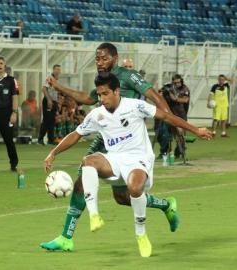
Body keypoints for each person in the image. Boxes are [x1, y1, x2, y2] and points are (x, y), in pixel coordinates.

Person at [43, 73, 212, 257]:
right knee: (88, 162)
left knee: (132, 190)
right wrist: (53, 153)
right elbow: (76, 134)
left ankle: (141, 234)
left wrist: (196, 130)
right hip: (115, 158)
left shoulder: (134, 106)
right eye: (99, 95)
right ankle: (93, 217)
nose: (102, 99)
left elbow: (165, 116)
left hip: (139, 158)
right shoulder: (97, 114)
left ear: (117, 91)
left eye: (105, 94)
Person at [40, 42, 181, 252]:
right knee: (83, 181)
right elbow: (86, 99)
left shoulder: (127, 76)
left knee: (123, 197)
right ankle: (66, 237)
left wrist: (172, 122)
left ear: (115, 59)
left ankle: (165, 205)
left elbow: (155, 97)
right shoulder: (102, 82)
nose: (99, 62)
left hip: (128, 142)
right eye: (97, 59)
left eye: (104, 58)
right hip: (106, 138)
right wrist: (57, 87)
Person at [161, 74, 190, 158]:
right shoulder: (170, 88)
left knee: (181, 134)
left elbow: (185, 100)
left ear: (181, 81)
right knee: (171, 134)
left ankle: (181, 151)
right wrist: (164, 91)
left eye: (178, 82)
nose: (177, 84)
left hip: (181, 114)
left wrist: (175, 98)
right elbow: (159, 92)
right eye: (175, 83)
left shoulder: (185, 89)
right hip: (171, 115)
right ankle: (166, 152)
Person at [38, 64, 61, 145]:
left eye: (59, 69)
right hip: (48, 101)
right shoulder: (50, 78)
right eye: (57, 69)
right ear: (53, 70)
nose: (58, 71)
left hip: (54, 101)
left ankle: (51, 140)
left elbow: (56, 93)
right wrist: (49, 100)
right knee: (46, 120)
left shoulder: (57, 80)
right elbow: (44, 89)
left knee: (52, 121)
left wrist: (57, 103)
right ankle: (40, 139)